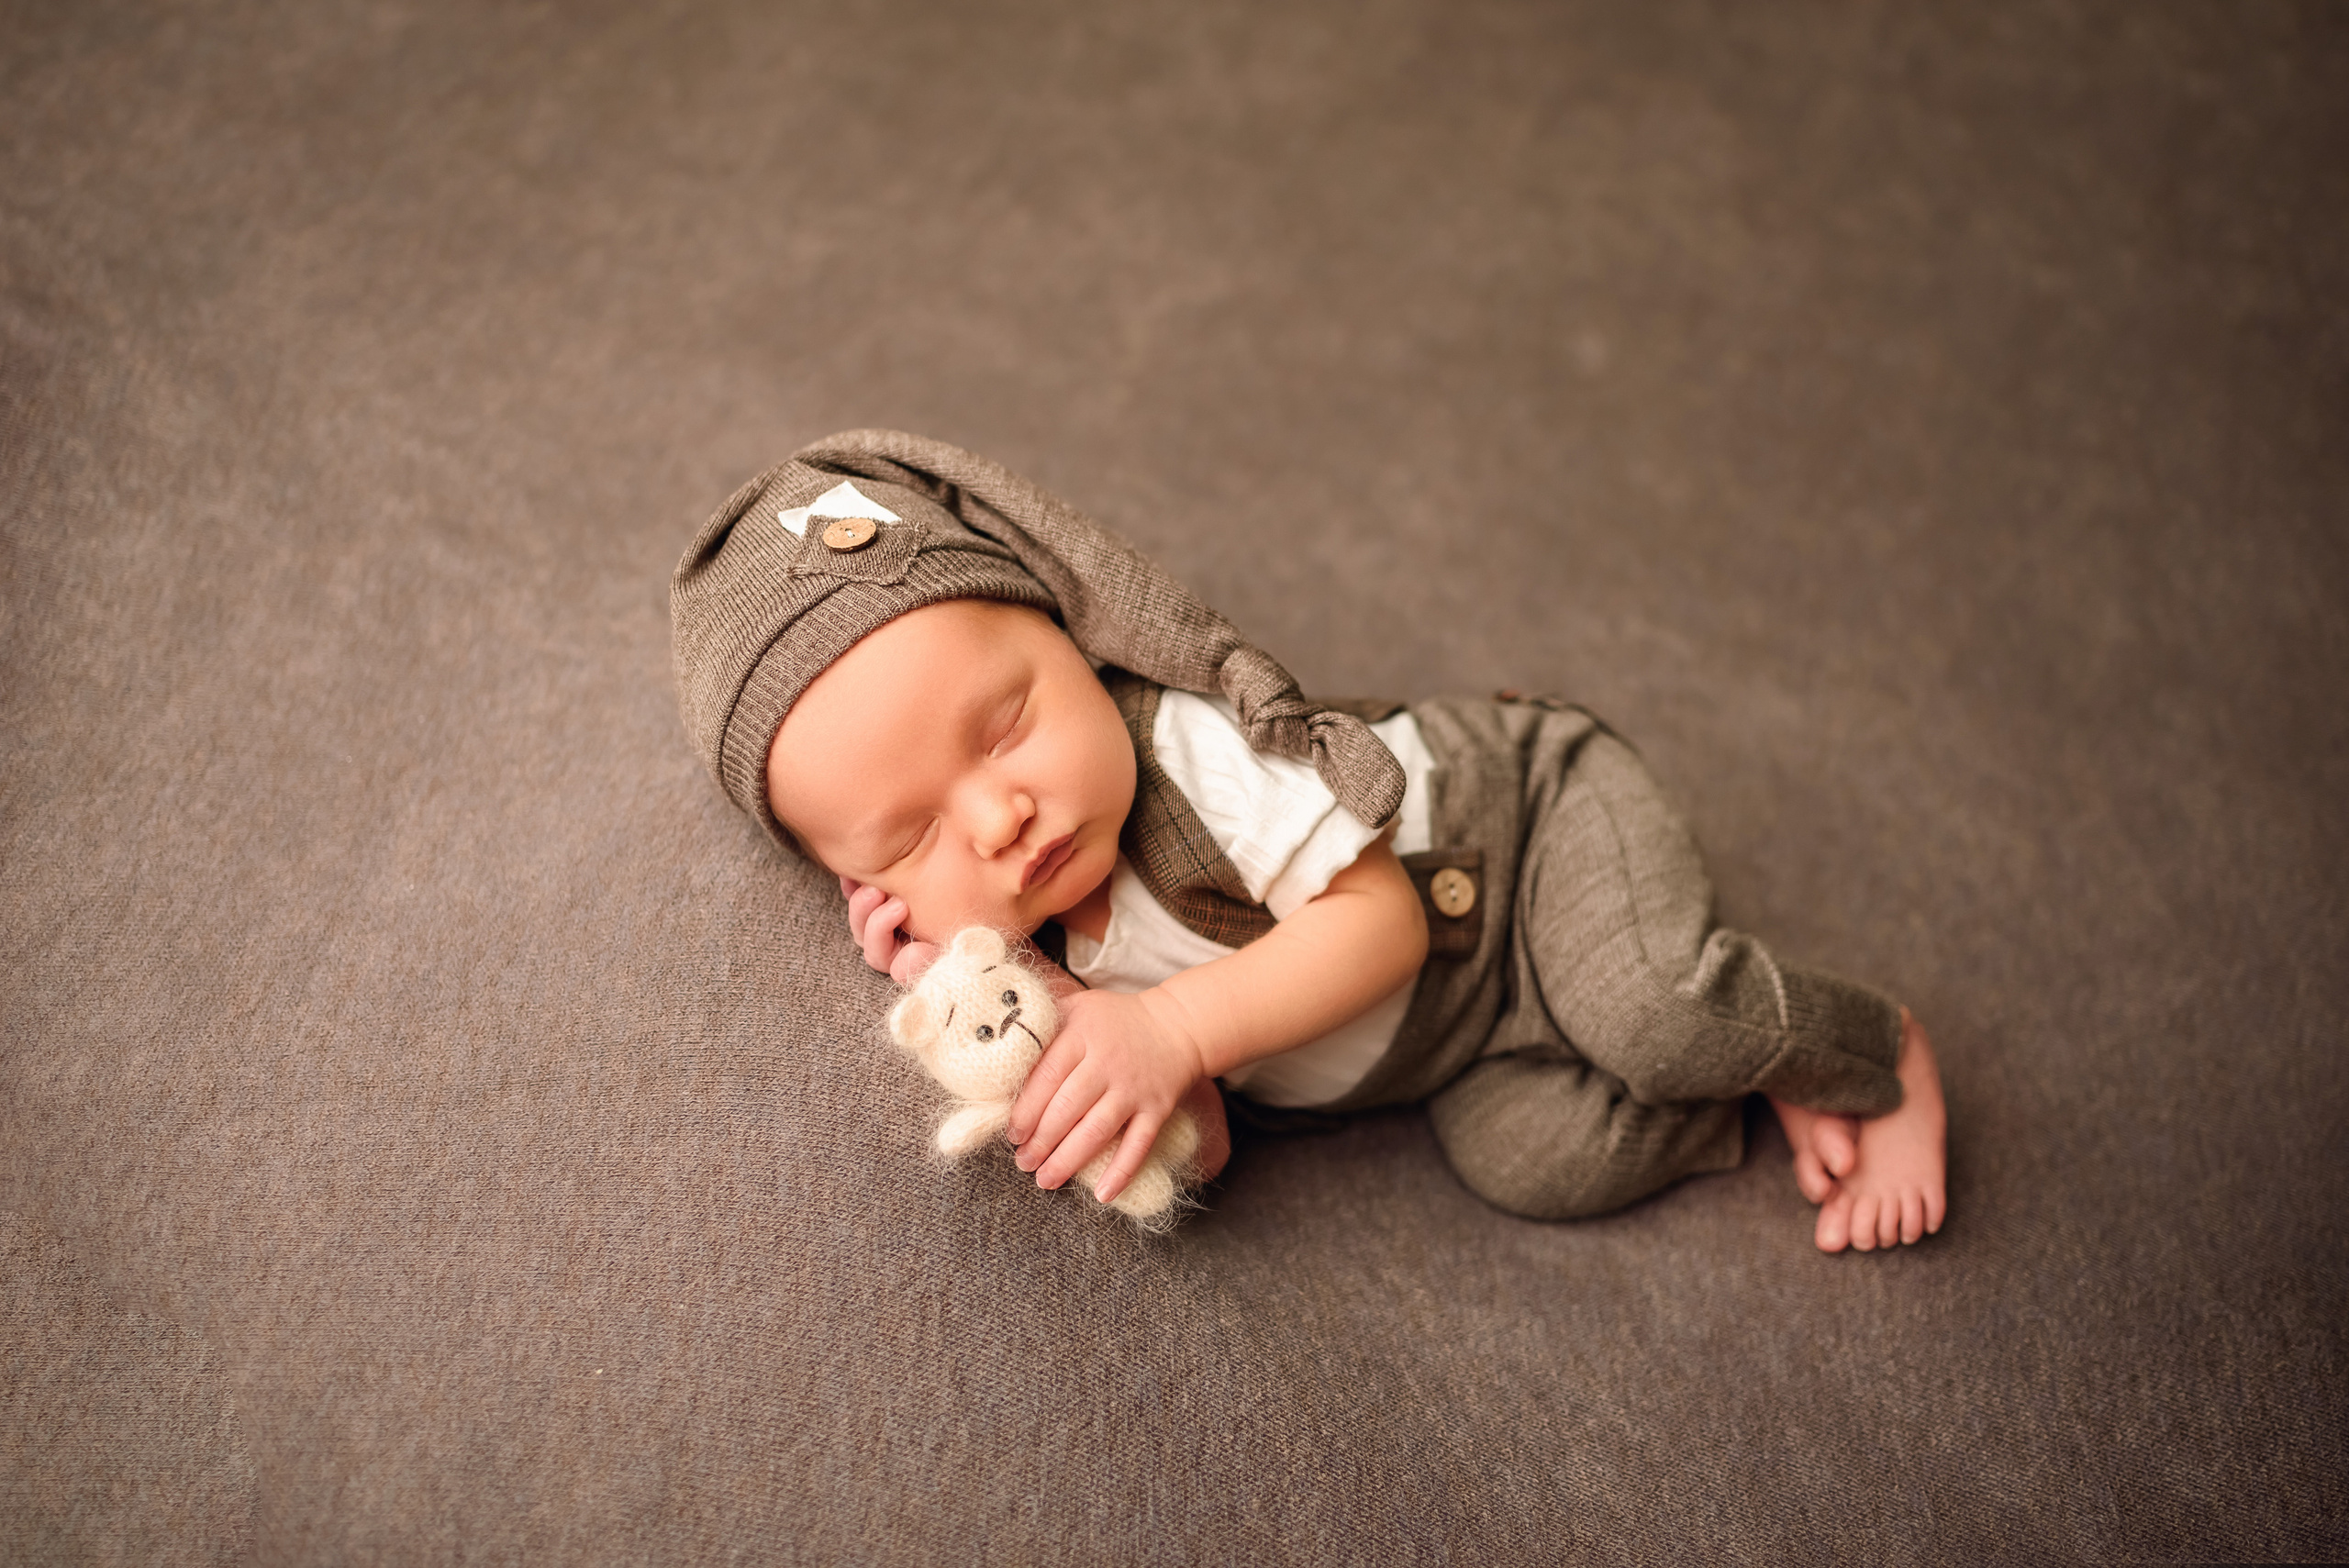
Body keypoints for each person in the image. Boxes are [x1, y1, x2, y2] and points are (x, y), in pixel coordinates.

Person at [673, 430, 1946, 1252]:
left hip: (1524, 831)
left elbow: (1383, 922)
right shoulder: (1041, 953)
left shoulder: (1192, 757)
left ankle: (1872, 1045)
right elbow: (1207, 1141)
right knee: (1534, 1165)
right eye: (913, 832)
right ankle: (1752, 1060)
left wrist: (1171, 1027)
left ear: (1070, 638)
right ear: (868, 885)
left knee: (1650, 1005)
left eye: (1008, 724)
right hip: (1454, 1041)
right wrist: (1022, 1014)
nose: (1000, 815)